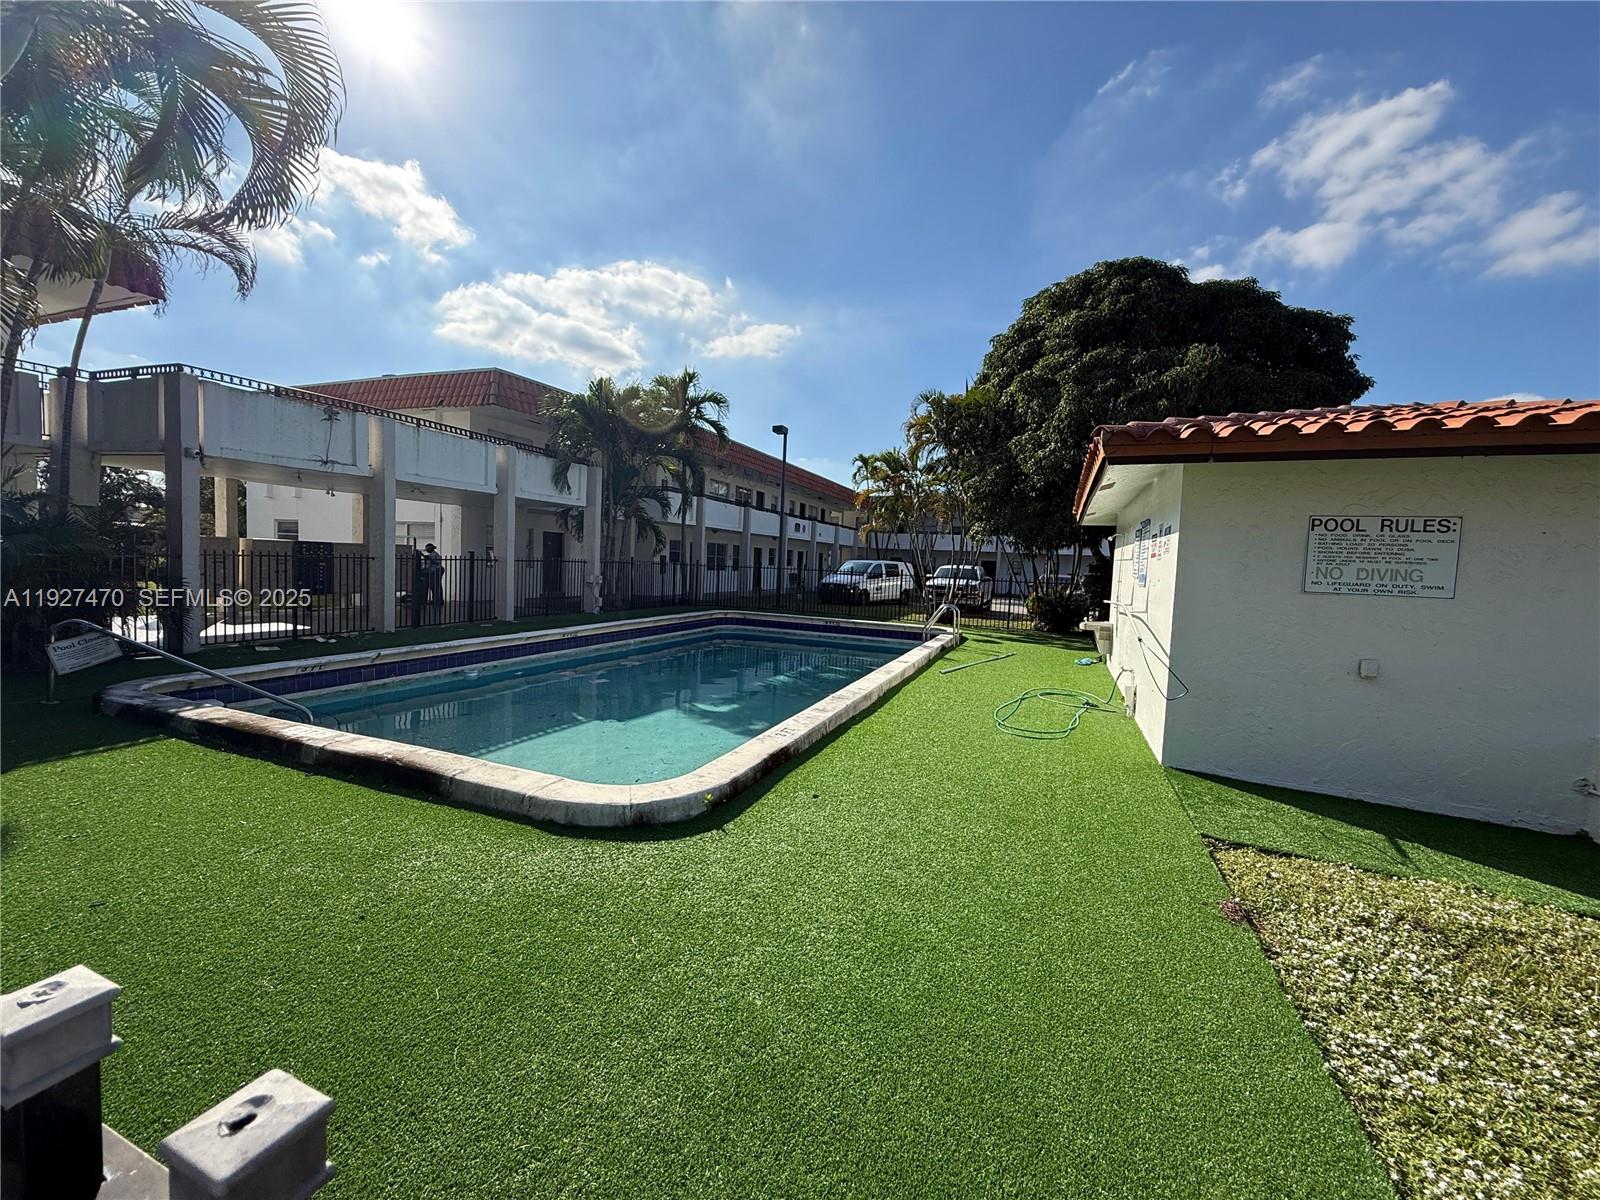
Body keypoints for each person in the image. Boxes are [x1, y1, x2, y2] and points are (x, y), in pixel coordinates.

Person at [420, 543, 445, 607]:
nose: (427, 550)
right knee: (434, 586)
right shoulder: (431, 554)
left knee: (435, 586)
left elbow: (435, 563)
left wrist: (428, 559)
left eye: (428, 548)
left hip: (436, 571)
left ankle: (437, 600)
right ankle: (436, 600)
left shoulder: (435, 554)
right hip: (432, 572)